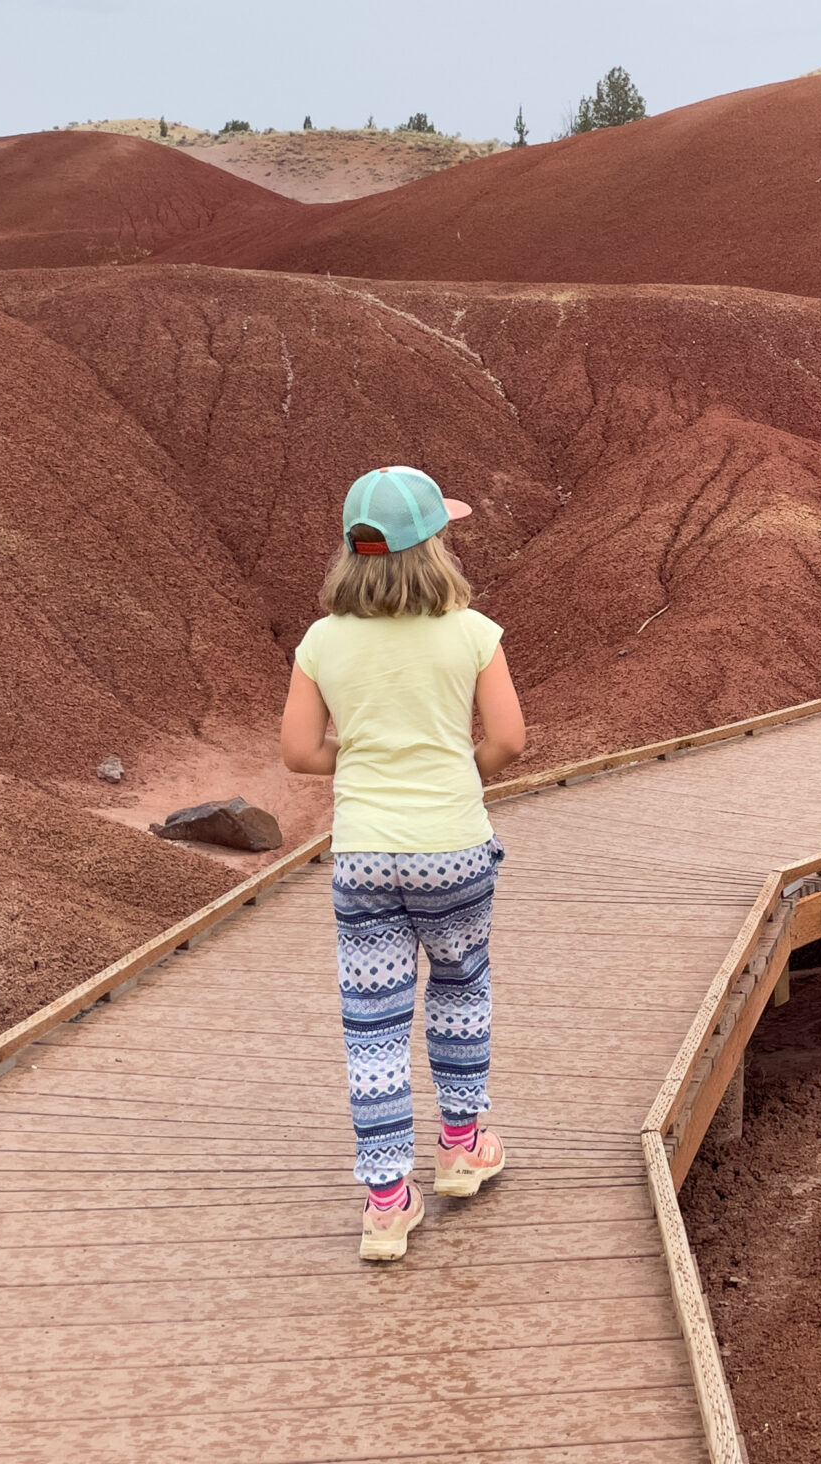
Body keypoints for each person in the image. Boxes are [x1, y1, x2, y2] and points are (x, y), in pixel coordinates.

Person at [281, 465, 527, 1261]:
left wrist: (361, 758)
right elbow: (509, 741)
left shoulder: (322, 642)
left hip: (364, 854)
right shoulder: (472, 633)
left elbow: (298, 752)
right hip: (451, 847)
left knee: (374, 1024)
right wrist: (459, 766)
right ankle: (461, 1146)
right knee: (460, 987)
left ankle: (386, 1201)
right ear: (434, 547)